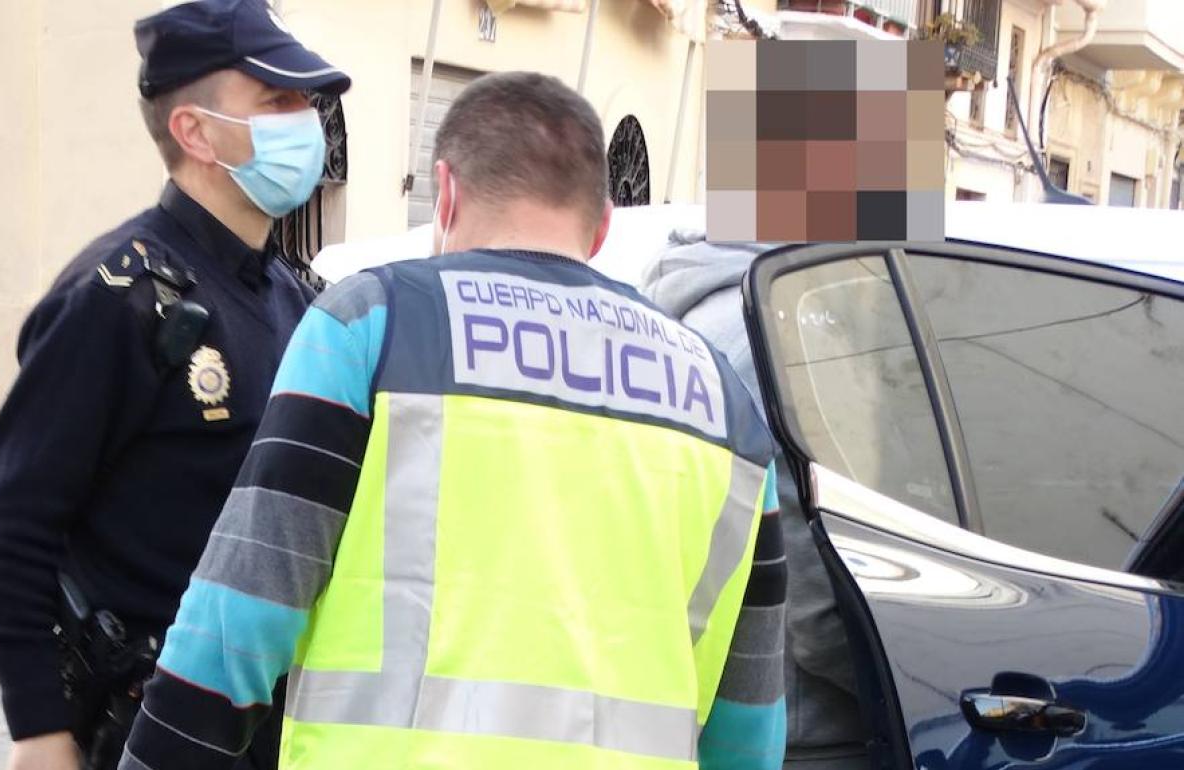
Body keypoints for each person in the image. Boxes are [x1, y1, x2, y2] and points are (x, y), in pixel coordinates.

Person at [119, 71, 788, 770]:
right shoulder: (722, 401)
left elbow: (237, 624)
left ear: (445, 192)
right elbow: (749, 723)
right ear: (602, 227)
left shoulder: (372, 325)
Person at [0, 2, 350, 769]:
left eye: (305, 102)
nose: (304, 121)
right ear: (195, 132)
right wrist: (39, 730)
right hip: (149, 729)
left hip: (269, 726)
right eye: (275, 101)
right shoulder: (118, 297)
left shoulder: (294, 300)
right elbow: (4, 531)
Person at [642, 232, 869, 770]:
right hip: (800, 737)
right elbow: (817, 611)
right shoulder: (794, 333)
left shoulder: (667, 321)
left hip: (679, 715)